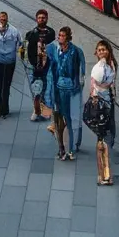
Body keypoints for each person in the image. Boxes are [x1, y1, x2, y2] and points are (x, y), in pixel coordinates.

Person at [45, 26, 84, 160]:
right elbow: (51, 69)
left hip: (69, 89)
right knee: (58, 117)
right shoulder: (55, 50)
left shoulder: (74, 52)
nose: (59, 37)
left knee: (69, 118)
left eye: (62, 35)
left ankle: (70, 148)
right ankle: (61, 148)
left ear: (68, 38)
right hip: (57, 88)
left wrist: (76, 88)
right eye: (59, 35)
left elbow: (78, 74)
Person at [90, 39, 117, 185]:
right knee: (102, 139)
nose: (102, 52)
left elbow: (108, 84)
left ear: (108, 51)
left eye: (104, 49)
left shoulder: (110, 66)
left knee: (105, 137)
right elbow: (93, 87)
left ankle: (104, 174)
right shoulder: (98, 67)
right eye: (99, 50)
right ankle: (103, 174)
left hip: (107, 104)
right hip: (99, 105)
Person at [22, 10, 55, 121]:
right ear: (36, 19)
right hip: (35, 66)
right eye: (39, 17)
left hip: (48, 66)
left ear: (47, 19)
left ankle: (46, 111)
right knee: (36, 90)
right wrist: (31, 64)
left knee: (47, 89)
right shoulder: (31, 34)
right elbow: (26, 50)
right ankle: (36, 110)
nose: (41, 19)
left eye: (43, 17)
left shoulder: (51, 33)